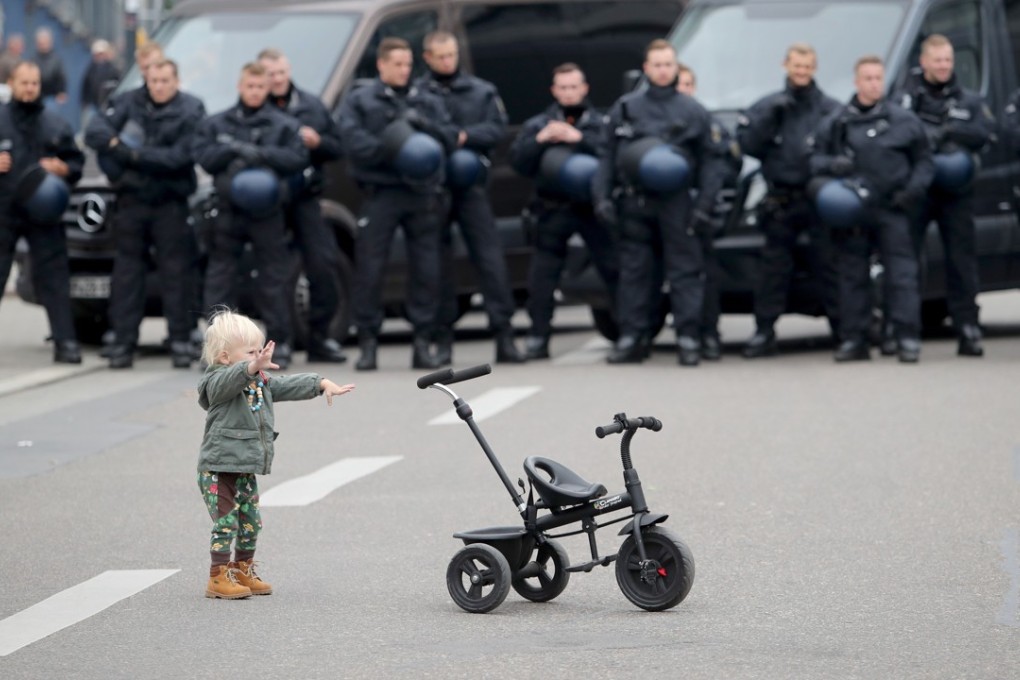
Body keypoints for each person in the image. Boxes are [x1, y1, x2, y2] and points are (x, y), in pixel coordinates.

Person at [197, 309, 354, 599]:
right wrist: (249, 368)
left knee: (251, 520)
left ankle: (243, 567)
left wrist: (320, 384)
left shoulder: (259, 382)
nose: (258, 357)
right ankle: (218, 575)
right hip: (217, 469)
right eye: (250, 352)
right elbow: (226, 384)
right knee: (226, 521)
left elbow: (285, 384)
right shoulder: (216, 383)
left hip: (243, 467)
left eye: (260, 351)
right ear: (224, 357)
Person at [594, 39, 727, 366]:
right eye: (657, 64)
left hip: (677, 204)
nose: (663, 70)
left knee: (685, 270)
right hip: (635, 203)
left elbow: (712, 162)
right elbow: (607, 156)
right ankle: (633, 336)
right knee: (635, 272)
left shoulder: (692, 110)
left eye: (669, 64)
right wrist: (602, 197)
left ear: (676, 67)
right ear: (646, 68)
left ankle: (688, 336)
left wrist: (704, 205)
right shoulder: (626, 107)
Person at [337, 37, 457, 371]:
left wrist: (422, 125)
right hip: (382, 192)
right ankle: (368, 342)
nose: (404, 70)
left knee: (427, 268)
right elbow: (353, 143)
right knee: (370, 267)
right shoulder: (361, 99)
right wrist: (393, 145)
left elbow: (449, 138)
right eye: (397, 64)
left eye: (408, 64)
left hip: (421, 193)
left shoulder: (426, 99)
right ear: (382, 65)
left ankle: (422, 340)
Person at [809, 55, 933, 363]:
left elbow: (924, 160)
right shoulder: (838, 122)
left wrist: (912, 192)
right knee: (851, 275)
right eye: (868, 78)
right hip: (853, 209)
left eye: (878, 78)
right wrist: (832, 165)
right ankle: (855, 339)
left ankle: (905, 337)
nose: (874, 84)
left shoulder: (903, 120)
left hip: (894, 206)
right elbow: (814, 161)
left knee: (901, 274)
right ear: (856, 81)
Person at [85, 58, 206, 369]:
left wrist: (131, 154)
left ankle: (180, 340)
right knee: (127, 274)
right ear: (146, 80)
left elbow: (180, 157)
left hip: (170, 202)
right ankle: (123, 341)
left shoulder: (192, 108)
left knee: (175, 273)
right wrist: (118, 146)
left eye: (165, 80)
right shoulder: (128, 101)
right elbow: (95, 132)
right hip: (133, 201)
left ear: (176, 80)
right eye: (153, 80)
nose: (159, 86)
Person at [416, 31, 525, 365]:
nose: (448, 61)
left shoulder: (481, 90)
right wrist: (451, 138)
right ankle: (442, 338)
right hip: (434, 187)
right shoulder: (419, 93)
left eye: (452, 55)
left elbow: (496, 129)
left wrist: (465, 137)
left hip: (472, 187)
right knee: (437, 264)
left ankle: (504, 333)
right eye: (441, 56)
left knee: (490, 259)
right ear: (428, 57)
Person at [193, 62, 310, 370]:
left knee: (274, 277)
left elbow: (298, 157)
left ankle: (280, 343)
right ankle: (217, 347)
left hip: (267, 213)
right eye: (250, 86)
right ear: (240, 86)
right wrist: (232, 151)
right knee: (220, 278)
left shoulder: (283, 124)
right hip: (228, 211)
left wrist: (263, 155)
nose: (255, 92)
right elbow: (204, 156)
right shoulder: (219, 122)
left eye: (260, 87)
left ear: (267, 88)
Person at [736, 43, 841, 358]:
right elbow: (747, 146)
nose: (801, 72)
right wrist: (769, 116)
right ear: (785, 65)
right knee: (773, 272)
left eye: (807, 66)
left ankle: (845, 331)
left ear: (814, 68)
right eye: (796, 66)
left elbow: (842, 150)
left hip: (818, 199)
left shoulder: (830, 109)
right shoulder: (768, 106)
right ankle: (764, 332)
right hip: (781, 200)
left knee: (830, 265)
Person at [894, 34, 995, 357]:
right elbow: (895, 136)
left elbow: (984, 134)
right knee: (907, 260)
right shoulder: (906, 99)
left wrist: (951, 132)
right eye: (937, 60)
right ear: (923, 62)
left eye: (948, 60)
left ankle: (967, 326)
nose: (943, 66)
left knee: (962, 260)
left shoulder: (969, 100)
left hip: (956, 193)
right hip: (918, 190)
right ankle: (904, 330)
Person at [510, 62, 618, 360]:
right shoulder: (539, 124)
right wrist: (540, 140)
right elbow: (518, 162)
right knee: (542, 276)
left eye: (574, 87)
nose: (569, 93)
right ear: (554, 91)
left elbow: (612, 156)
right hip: (551, 207)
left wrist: (578, 139)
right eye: (563, 88)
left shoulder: (600, 123)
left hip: (589, 207)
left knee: (612, 267)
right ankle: (538, 337)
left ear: (584, 89)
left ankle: (628, 332)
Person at [259, 48, 347, 364]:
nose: (278, 79)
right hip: (271, 202)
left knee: (323, 263)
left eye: (282, 72)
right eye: (271, 74)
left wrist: (318, 143)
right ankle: (278, 341)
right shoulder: (257, 109)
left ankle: (320, 337)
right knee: (276, 273)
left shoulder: (311, 105)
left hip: (307, 198)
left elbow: (338, 147)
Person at [0, 61, 84, 363]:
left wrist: (62, 167)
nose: (30, 88)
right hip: (4, 210)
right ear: (11, 83)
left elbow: (76, 164)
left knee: (54, 277)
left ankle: (65, 343)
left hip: (43, 214)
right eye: (24, 83)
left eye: (34, 83)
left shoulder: (54, 123)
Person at [677, 62, 742, 360]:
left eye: (689, 84)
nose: (684, 90)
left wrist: (706, 204)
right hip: (669, 211)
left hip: (702, 210)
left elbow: (727, 165)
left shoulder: (708, 123)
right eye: (680, 84)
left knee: (707, 274)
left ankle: (709, 333)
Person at [79, 39, 120, 129]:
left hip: (108, 106)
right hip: (93, 105)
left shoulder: (113, 70)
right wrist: (85, 102)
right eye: (97, 54)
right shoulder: (90, 70)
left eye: (101, 54)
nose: (99, 57)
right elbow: (85, 86)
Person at [34, 29, 67, 108]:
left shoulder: (56, 59)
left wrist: (62, 91)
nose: (43, 45)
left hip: (52, 97)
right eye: (40, 43)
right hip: (37, 96)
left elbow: (61, 76)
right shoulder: (33, 59)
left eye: (45, 43)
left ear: (50, 43)